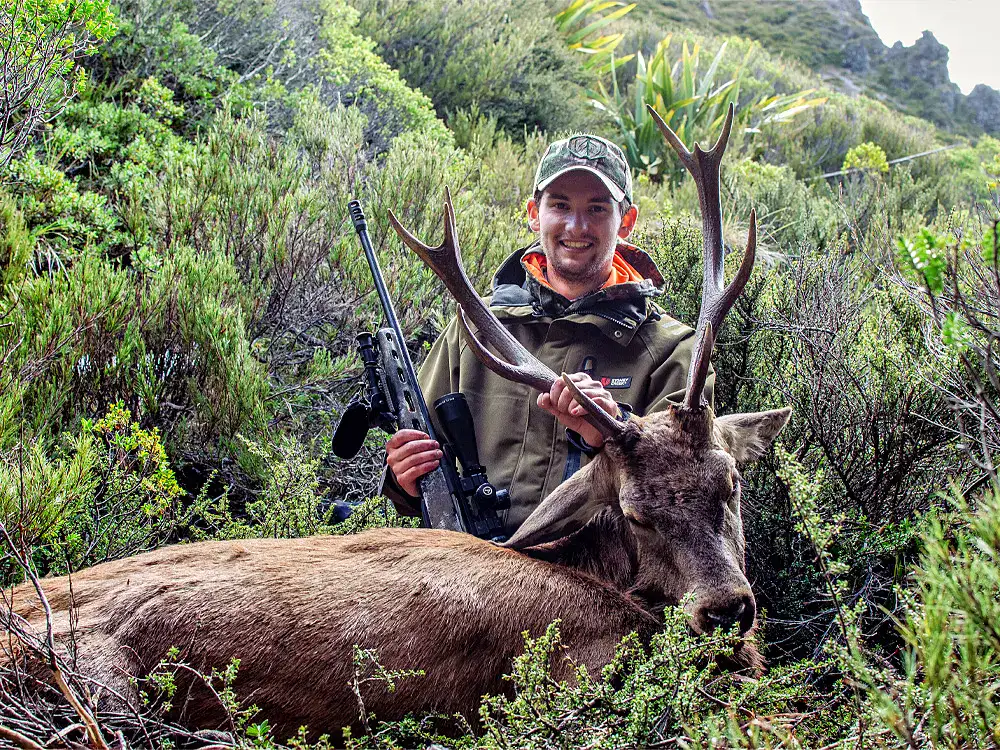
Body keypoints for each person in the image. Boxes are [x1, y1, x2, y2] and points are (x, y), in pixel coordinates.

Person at [381, 134, 711, 534]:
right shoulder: (474, 328)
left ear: (626, 221)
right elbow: (419, 473)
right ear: (534, 213)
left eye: (596, 208)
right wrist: (405, 478)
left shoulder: (672, 351)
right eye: (559, 205)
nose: (576, 225)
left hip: (596, 585)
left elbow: (686, 496)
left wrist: (611, 434)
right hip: (467, 574)